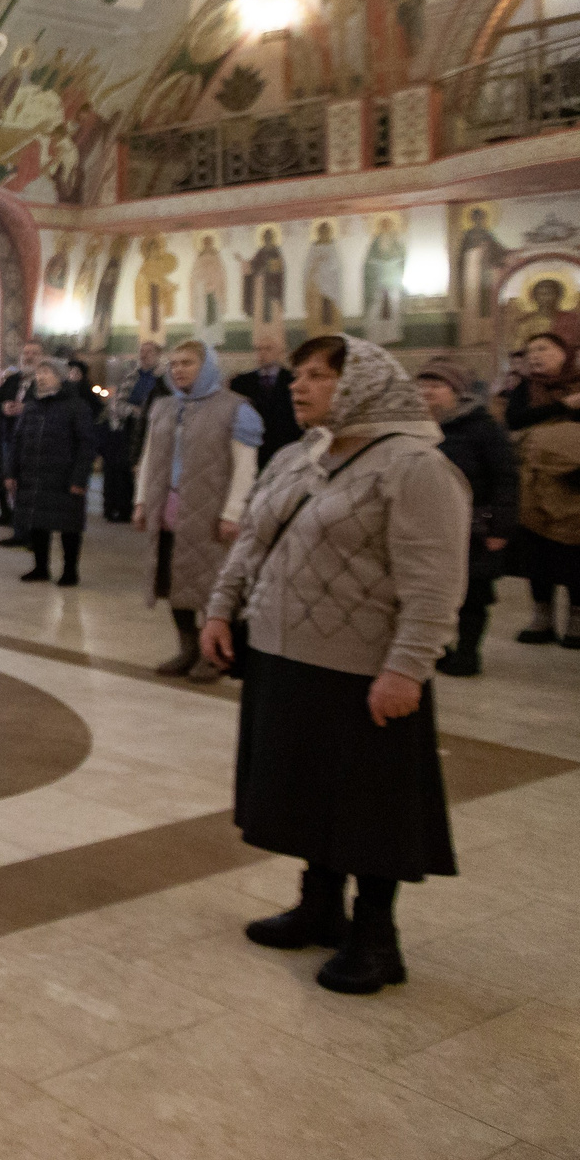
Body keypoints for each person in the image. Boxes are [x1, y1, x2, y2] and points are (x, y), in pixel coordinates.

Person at [202, 336, 469, 996]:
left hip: (364, 668)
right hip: (283, 652)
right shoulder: (297, 455)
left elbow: (435, 584)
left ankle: (377, 936)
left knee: (368, 804)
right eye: (299, 375)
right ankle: (319, 904)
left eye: (319, 376)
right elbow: (252, 542)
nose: (300, 386)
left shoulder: (415, 467)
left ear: (364, 386)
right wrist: (218, 608)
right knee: (305, 787)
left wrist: (407, 667)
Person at [135, 342, 263, 677]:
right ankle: (188, 648)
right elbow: (148, 458)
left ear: (207, 366)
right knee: (175, 581)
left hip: (211, 510)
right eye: (174, 364)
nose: (178, 369)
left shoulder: (235, 409)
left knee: (211, 585)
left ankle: (215, 655)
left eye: (187, 363)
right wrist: (142, 502)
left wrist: (233, 513)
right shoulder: (163, 406)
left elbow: (245, 467)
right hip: (169, 508)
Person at [415, 356, 516, 676]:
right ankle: (438, 648)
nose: (428, 392)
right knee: (429, 591)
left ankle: (468, 653)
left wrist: (500, 526)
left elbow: (505, 477)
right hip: (423, 524)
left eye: (437, 385)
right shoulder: (412, 427)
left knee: (472, 594)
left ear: (456, 391)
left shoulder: (481, 426)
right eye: (423, 385)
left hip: (473, 525)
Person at [502, 327, 580, 649]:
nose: (534, 356)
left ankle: (578, 620)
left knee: (579, 552)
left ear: (564, 353)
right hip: (536, 482)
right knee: (538, 551)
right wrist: (569, 404)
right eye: (530, 352)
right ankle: (541, 617)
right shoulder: (525, 390)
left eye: (542, 349)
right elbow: (516, 423)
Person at [5, 359, 98, 586]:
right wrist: (11, 473)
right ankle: (40, 567)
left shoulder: (76, 406)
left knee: (69, 525)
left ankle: (69, 571)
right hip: (33, 475)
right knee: (37, 522)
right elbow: (17, 441)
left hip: (64, 476)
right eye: (38, 373)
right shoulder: (32, 406)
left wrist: (79, 477)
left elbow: (87, 444)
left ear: (60, 376)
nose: (41, 377)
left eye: (46, 372)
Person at [103, 342, 166, 522]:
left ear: (158, 354)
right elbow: (117, 402)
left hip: (154, 425)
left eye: (149, 352)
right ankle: (124, 507)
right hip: (130, 425)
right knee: (125, 465)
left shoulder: (163, 377)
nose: (144, 355)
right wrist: (134, 411)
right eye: (142, 351)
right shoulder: (131, 375)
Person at [0, 339, 45, 533]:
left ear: (41, 357)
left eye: (33, 353)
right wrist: (4, 407)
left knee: (28, 484)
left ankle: (29, 527)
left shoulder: (45, 381)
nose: (28, 357)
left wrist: (25, 408)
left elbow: (49, 407)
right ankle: (14, 520)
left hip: (33, 440)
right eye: (26, 353)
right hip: (9, 437)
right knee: (8, 480)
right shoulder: (13, 380)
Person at [232, 326, 303, 469]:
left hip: (286, 448)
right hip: (252, 451)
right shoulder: (241, 382)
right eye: (258, 349)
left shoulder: (294, 380)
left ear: (280, 352)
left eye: (268, 349)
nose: (262, 353)